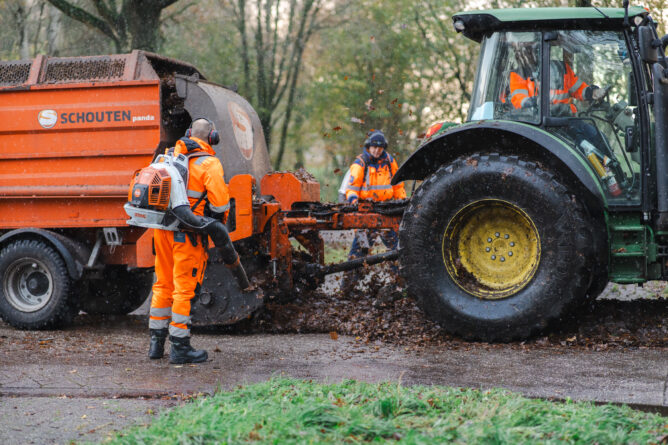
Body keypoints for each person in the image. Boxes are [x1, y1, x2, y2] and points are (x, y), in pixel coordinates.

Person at [148, 118, 230, 364]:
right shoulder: (209, 163)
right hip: (188, 234)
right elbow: (220, 204)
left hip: (161, 230)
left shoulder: (167, 156)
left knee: (163, 284)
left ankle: (156, 344)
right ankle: (180, 347)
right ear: (212, 137)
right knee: (185, 289)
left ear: (188, 133)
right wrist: (214, 225)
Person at [509, 40, 608, 150]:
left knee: (599, 140)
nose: (523, 55)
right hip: (538, 124)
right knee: (577, 147)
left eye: (528, 50)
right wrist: (536, 100)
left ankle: (607, 165)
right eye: (519, 51)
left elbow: (578, 89)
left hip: (567, 120)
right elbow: (520, 99)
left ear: (537, 49)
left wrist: (593, 93)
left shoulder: (561, 68)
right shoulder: (518, 75)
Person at [343, 130, 405, 286]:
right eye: (374, 147)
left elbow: (398, 186)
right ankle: (348, 286)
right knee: (360, 249)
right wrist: (353, 199)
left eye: (380, 147)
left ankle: (401, 283)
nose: (377, 150)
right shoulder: (360, 163)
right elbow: (352, 187)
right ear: (368, 146)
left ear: (384, 148)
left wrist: (403, 202)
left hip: (386, 210)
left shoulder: (390, 161)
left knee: (396, 248)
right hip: (366, 211)